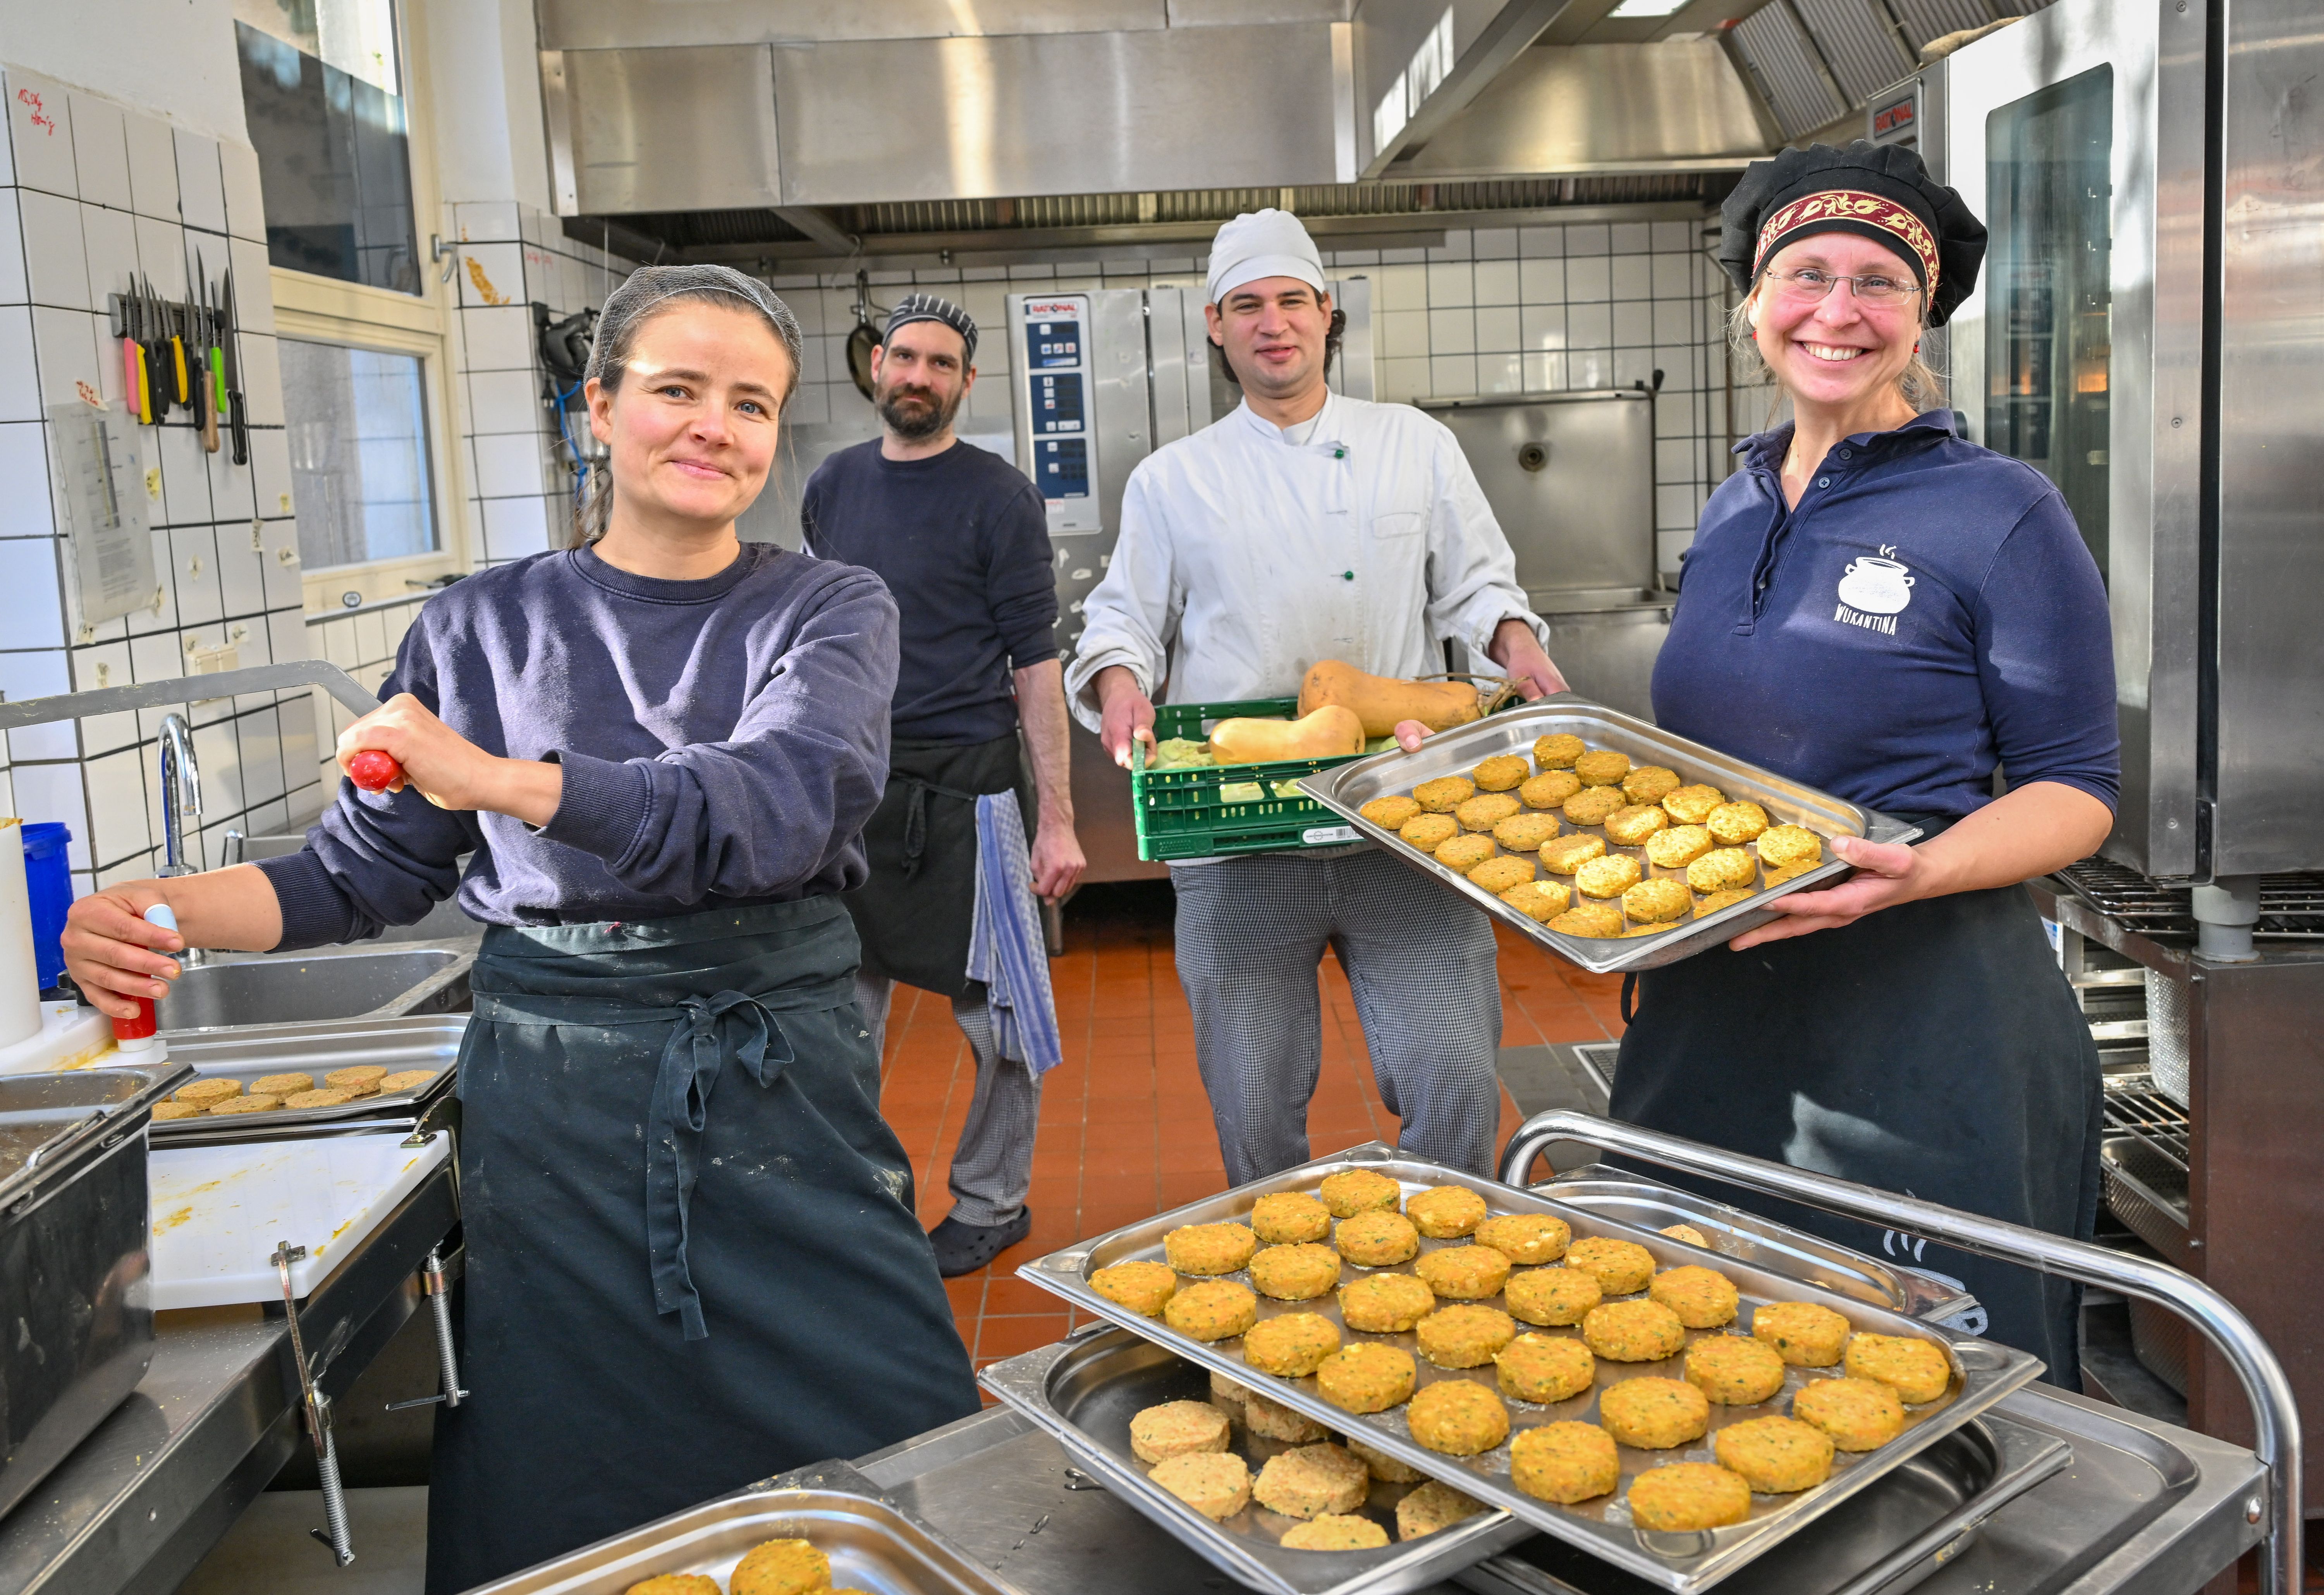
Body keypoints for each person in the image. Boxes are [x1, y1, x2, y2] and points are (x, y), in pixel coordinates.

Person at [60, 265, 981, 1589]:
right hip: (559, 1122)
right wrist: (158, 910)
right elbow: (361, 873)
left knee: (902, 1435)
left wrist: (500, 780)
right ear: (599, 406)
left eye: (751, 403)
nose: (714, 425)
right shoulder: (478, 626)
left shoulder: (829, 607)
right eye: (676, 389)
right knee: (570, 1482)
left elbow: (773, 807)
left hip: (781, 1091)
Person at [1607, 142, 2117, 1382]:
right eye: (1807, 275)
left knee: (1938, 1381)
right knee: (1698, 1357)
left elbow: (2078, 790)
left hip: (1925, 1025)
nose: (1837, 310)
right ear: (1755, 303)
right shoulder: (1736, 504)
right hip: (1715, 1015)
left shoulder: (2001, 509)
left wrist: (1921, 867)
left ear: (1920, 317)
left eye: (1879, 281)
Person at [1067, 209, 1565, 1185]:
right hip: (1240, 831)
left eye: (1292, 300)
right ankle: (1277, 1266)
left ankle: (1446, 1244)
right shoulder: (1174, 480)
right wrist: (1120, 682)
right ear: (1216, 325)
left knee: (1456, 1074)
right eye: (1248, 305)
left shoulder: (1413, 444)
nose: (1274, 323)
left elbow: (1478, 585)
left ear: (1328, 312)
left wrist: (1514, 642)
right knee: (1252, 1094)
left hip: (1402, 815)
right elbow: (1122, 617)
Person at [801, 292, 1084, 1275]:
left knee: (1002, 1018)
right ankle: (856, 1203)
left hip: (971, 787)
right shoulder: (833, 485)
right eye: (905, 357)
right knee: (839, 1019)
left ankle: (992, 1199)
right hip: (855, 786)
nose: (918, 376)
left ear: (967, 382)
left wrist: (1059, 821)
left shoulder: (999, 496)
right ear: (878, 366)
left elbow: (1035, 664)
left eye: (941, 364)